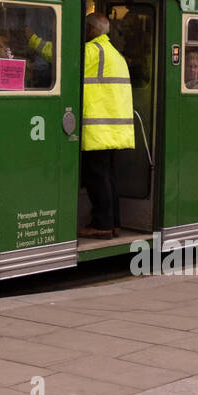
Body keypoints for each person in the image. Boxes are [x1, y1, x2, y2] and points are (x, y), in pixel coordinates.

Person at [79, 13, 134, 239]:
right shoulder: (116, 55)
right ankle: (114, 224)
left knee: (97, 178)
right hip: (115, 129)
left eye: (85, 28)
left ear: (92, 30)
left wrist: (33, 40)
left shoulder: (93, 51)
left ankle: (101, 224)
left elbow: (60, 56)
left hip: (98, 129)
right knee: (109, 177)